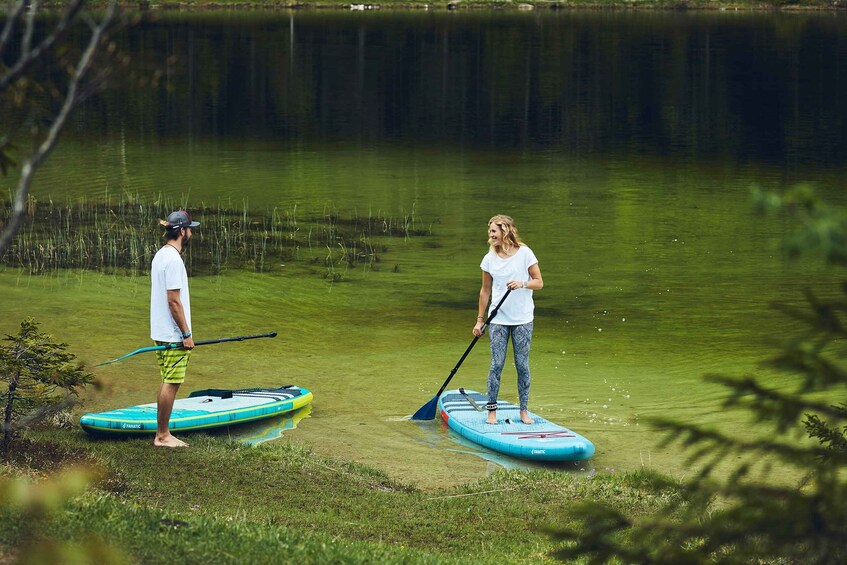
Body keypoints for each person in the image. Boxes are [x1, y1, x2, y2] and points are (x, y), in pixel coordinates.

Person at [473, 214, 543, 425]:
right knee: (496, 365)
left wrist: (522, 283)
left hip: (523, 319)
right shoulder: (489, 258)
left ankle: (523, 411)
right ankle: (491, 412)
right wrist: (479, 320)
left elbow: (539, 282)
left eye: (494, 231)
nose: (490, 235)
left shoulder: (525, 253)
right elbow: (485, 291)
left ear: (505, 231)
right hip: (498, 319)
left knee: (522, 365)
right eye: (489, 231)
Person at [150, 210, 199, 447]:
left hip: (161, 332)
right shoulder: (173, 260)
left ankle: (162, 432)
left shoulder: (161, 255)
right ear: (181, 231)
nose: (191, 233)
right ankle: (162, 436)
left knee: (167, 379)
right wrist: (186, 334)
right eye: (190, 229)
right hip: (173, 335)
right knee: (172, 382)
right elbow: (173, 301)